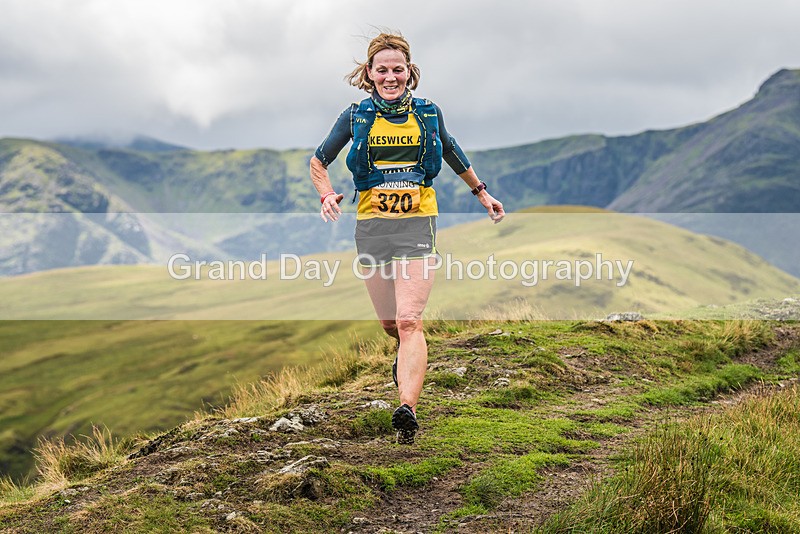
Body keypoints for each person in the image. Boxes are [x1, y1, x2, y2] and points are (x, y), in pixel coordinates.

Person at [310, 32, 504, 444]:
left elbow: (450, 151)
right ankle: (406, 359)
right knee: (389, 323)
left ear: (409, 72)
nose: (391, 76)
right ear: (370, 73)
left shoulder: (429, 112)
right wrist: (326, 193)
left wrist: (482, 193)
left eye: (398, 69)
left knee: (409, 319)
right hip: (372, 226)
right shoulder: (355, 115)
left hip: (419, 221)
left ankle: (407, 409)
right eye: (382, 70)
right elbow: (318, 160)